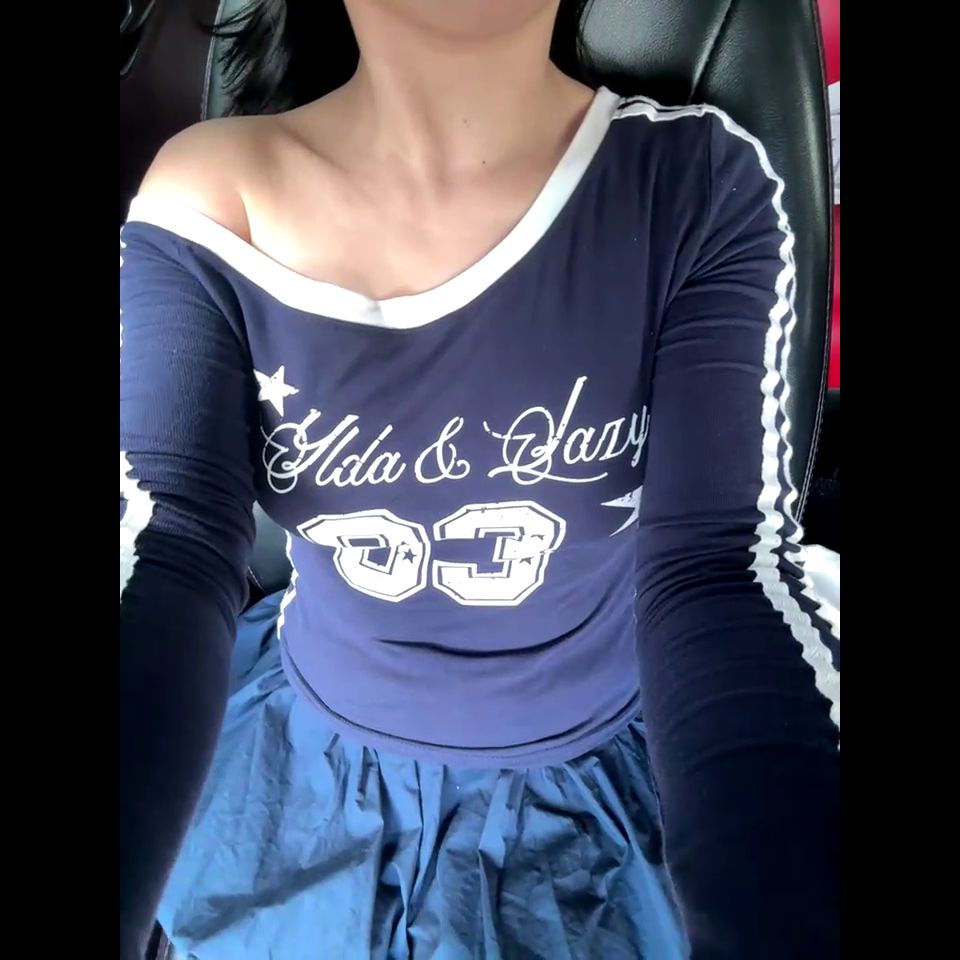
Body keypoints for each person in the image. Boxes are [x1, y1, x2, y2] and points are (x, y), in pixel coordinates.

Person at [119, 1, 841, 957]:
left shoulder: (693, 181)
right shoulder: (214, 196)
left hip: (613, 785)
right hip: (302, 773)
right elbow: (175, 548)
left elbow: (716, 567)